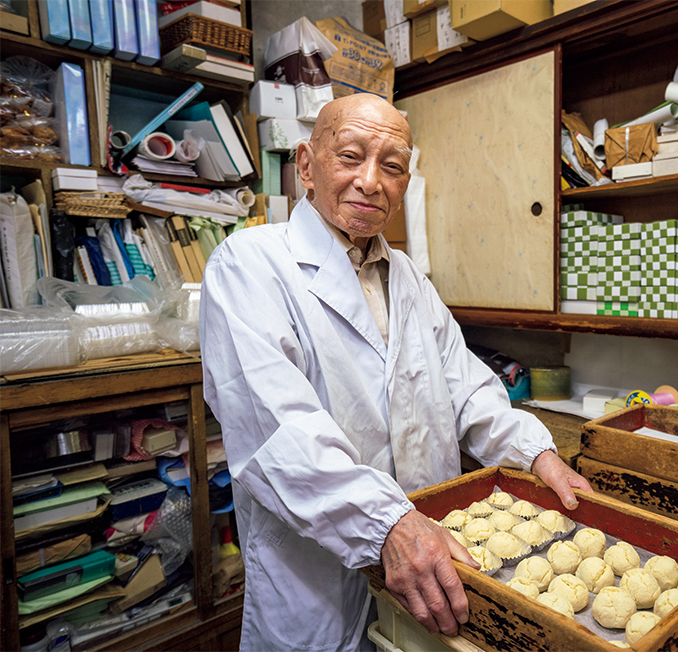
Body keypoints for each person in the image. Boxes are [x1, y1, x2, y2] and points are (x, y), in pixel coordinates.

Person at [200, 93, 592, 651]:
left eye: (392, 166)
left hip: (430, 558)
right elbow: (280, 434)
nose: (370, 181)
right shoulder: (249, 264)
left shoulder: (405, 275)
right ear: (307, 167)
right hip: (318, 577)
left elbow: (466, 387)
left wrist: (535, 453)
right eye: (350, 157)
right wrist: (387, 525)